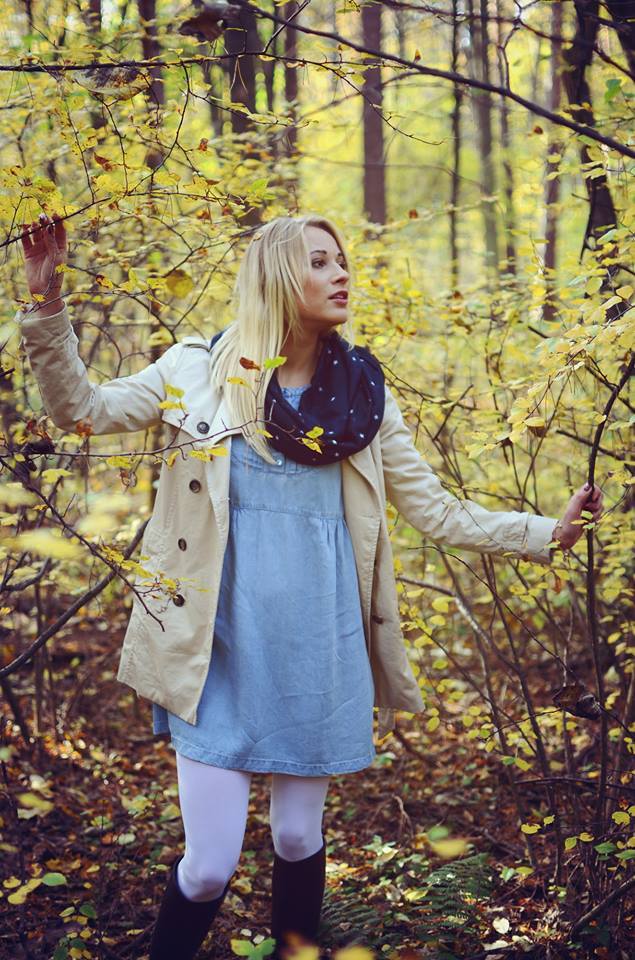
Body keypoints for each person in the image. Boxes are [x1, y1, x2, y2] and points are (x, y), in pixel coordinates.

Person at [17, 212, 603, 960]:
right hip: (216, 652)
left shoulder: (363, 397)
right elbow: (81, 411)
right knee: (207, 867)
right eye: (319, 262)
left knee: (297, 836)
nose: (340, 274)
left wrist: (546, 533)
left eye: (340, 260)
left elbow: (434, 509)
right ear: (276, 278)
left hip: (318, 652)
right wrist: (46, 302)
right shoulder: (196, 372)